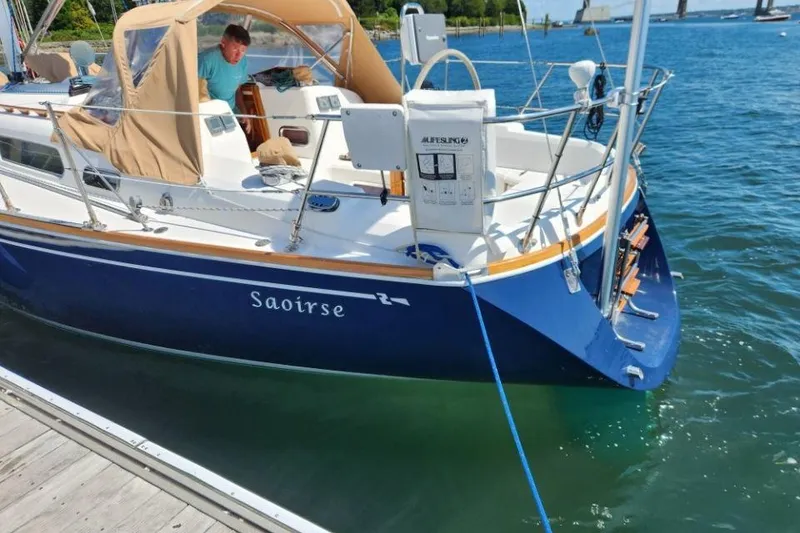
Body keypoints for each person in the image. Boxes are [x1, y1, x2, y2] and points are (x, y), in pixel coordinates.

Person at [198, 24, 252, 134]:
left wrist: (244, 113)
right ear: (223, 42)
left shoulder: (243, 62)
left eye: (242, 50)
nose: (238, 55)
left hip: (230, 112)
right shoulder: (206, 60)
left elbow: (237, 90)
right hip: (209, 114)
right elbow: (195, 92)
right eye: (235, 48)